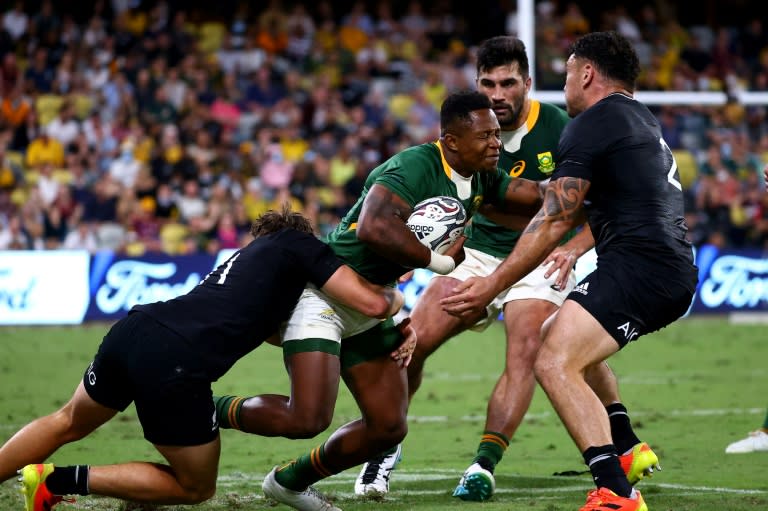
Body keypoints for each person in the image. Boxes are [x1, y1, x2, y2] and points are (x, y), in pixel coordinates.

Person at [354, 35, 657, 502]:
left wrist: (574, 248)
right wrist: (421, 253)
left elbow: (601, 202)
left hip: (538, 258)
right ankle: (385, 445)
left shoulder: (561, 126)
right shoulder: (463, 130)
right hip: (473, 251)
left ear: (528, 84)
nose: (497, 94)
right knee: (411, 342)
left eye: (508, 83)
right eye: (488, 82)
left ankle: (483, 465)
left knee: (527, 347)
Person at [213, 90, 545, 511]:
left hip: (372, 303)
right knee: (307, 418)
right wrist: (438, 263)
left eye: (498, 134)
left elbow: (537, 197)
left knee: (388, 427)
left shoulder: (483, 177)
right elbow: (372, 227)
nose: (496, 143)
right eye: (485, 135)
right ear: (452, 140)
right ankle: (206, 409)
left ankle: (289, 482)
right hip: (328, 290)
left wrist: (584, 182)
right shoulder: (415, 165)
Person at [0, 208, 410, 511]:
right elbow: (371, 303)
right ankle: (54, 481)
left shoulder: (240, 263)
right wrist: (396, 297)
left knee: (67, 420)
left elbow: (270, 332)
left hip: (136, 329)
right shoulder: (298, 244)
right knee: (195, 487)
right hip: (175, 361)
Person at [442, 31, 698, 511]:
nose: (564, 86)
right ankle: (624, 451)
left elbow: (553, 218)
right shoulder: (638, 118)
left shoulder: (591, 123)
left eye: (567, 73)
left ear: (587, 73)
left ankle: (615, 494)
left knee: (552, 360)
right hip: (663, 266)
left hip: (640, 268)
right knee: (553, 335)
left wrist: (492, 285)